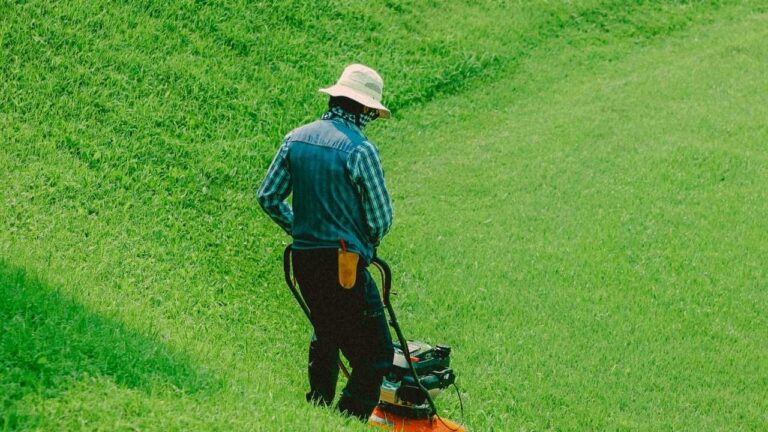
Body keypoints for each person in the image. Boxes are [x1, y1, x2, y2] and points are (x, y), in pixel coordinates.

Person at [257, 64, 395, 421]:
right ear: (364, 108)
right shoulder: (361, 150)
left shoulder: (295, 139)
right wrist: (367, 242)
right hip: (345, 263)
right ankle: (347, 417)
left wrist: (301, 229)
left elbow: (268, 197)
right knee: (378, 352)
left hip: (303, 259)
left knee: (327, 330)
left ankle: (317, 408)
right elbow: (381, 219)